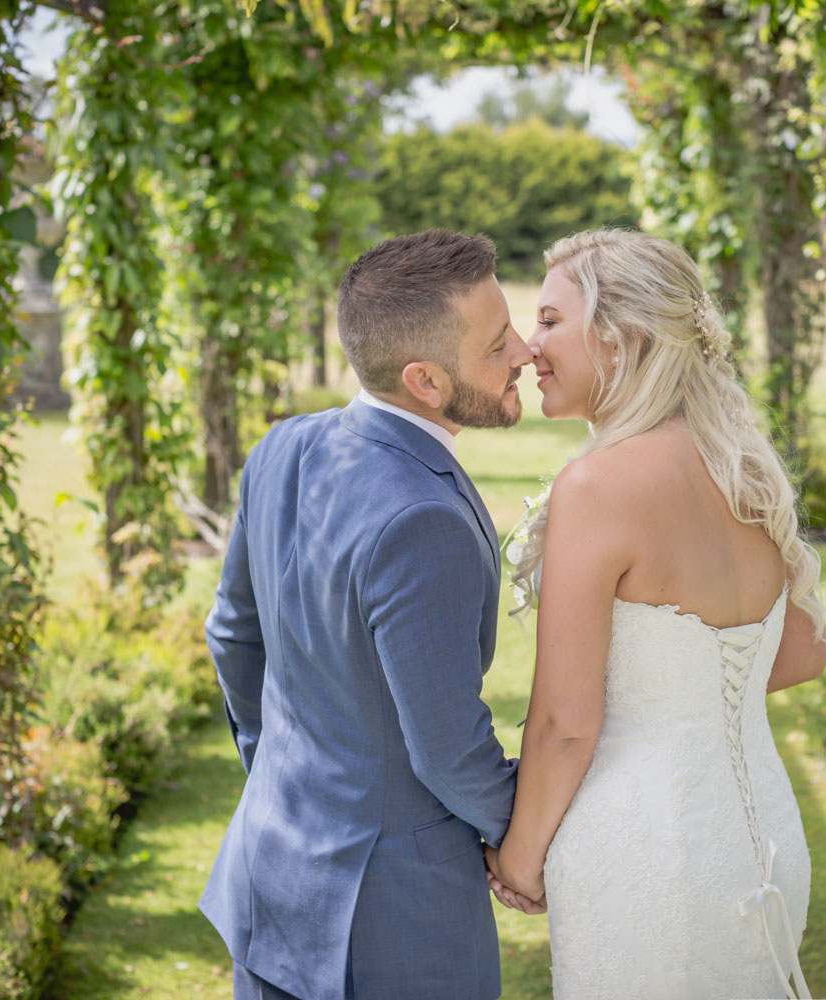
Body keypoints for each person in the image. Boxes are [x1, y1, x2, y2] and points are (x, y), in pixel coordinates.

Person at [485, 229, 826, 1000]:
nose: (527, 344)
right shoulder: (741, 467)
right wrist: (682, 705)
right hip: (764, 839)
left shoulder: (600, 486)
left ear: (620, 335)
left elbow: (565, 724)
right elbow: (804, 650)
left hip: (647, 850)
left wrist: (519, 858)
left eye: (548, 320)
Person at [199, 229, 538, 1000]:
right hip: (391, 921)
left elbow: (231, 637)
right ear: (425, 379)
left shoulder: (281, 447)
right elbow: (449, 749)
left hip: (268, 868)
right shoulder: (423, 516)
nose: (521, 351)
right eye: (496, 344)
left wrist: (280, 774)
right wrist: (525, 838)